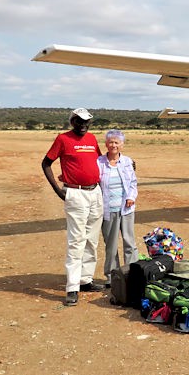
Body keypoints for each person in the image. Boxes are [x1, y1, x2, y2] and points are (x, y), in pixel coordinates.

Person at [41, 108, 105, 306]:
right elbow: (46, 163)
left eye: (87, 122)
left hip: (95, 192)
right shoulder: (63, 139)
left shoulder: (92, 139)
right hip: (75, 194)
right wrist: (58, 191)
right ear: (72, 122)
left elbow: (101, 162)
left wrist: (125, 163)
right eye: (79, 121)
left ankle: (86, 280)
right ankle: (72, 286)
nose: (83, 125)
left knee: (92, 239)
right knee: (76, 240)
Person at [97, 129, 139, 286]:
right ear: (106, 144)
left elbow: (133, 183)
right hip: (108, 210)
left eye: (117, 142)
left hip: (126, 209)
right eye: (111, 142)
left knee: (130, 243)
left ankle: (132, 274)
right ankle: (112, 276)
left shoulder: (127, 161)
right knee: (111, 246)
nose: (113, 145)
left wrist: (130, 197)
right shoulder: (99, 162)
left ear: (122, 144)